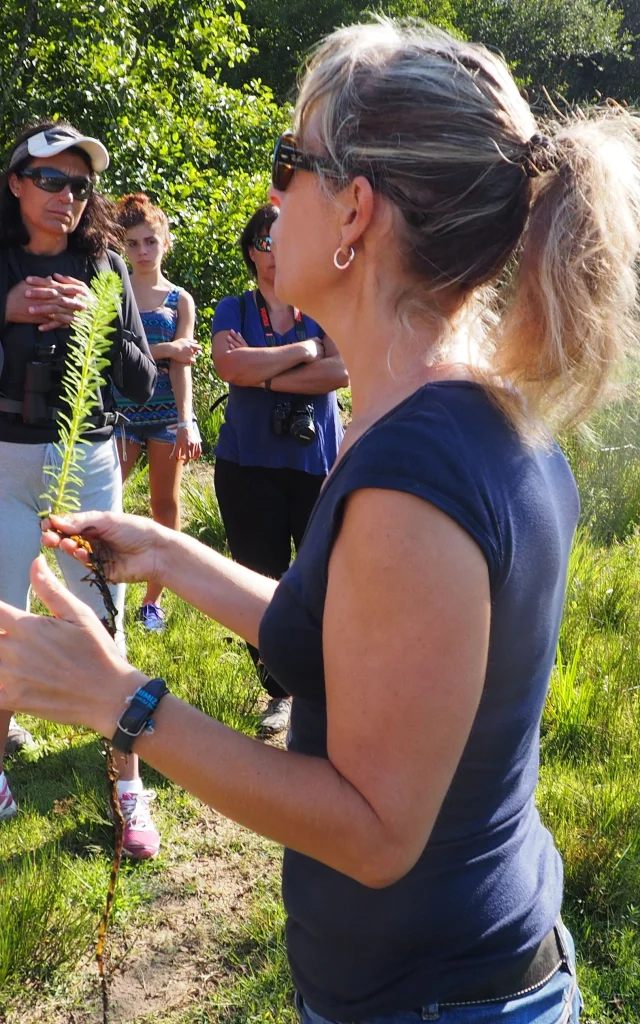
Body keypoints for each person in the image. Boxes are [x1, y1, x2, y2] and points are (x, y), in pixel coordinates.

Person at [2, 20, 640, 1022]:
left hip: (432, 1000)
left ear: (355, 209)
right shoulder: (457, 409)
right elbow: (357, 642)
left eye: (285, 162)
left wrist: (118, 699)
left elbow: (376, 829)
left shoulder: (412, 478)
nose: (268, 196)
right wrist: (174, 554)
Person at [0, 120, 162, 860]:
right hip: (4, 459)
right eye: (51, 179)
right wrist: (8, 314)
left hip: (87, 459)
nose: (66, 196)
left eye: (79, 184)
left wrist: (98, 320)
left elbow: (140, 379)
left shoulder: (103, 264)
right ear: (17, 184)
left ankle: (127, 786)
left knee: (102, 617)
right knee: (5, 615)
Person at [211, 203, 347, 734]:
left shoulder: (324, 308)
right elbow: (229, 365)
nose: (275, 254)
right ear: (252, 252)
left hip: (317, 467)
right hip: (247, 467)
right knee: (258, 582)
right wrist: (304, 352)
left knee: (323, 580)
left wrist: (264, 376)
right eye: (265, 244)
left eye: (284, 242)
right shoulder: (233, 308)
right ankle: (281, 693)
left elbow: (341, 372)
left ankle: (329, 686)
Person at [114, 193, 202, 633]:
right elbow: (114, 352)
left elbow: (183, 368)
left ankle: (152, 601)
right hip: (122, 415)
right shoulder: (115, 290)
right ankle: (99, 588)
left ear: (166, 242)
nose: (142, 251)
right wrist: (167, 349)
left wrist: (187, 421)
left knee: (164, 505)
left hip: (168, 415)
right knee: (106, 499)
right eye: (132, 243)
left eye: (150, 241)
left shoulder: (180, 299)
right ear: (123, 247)